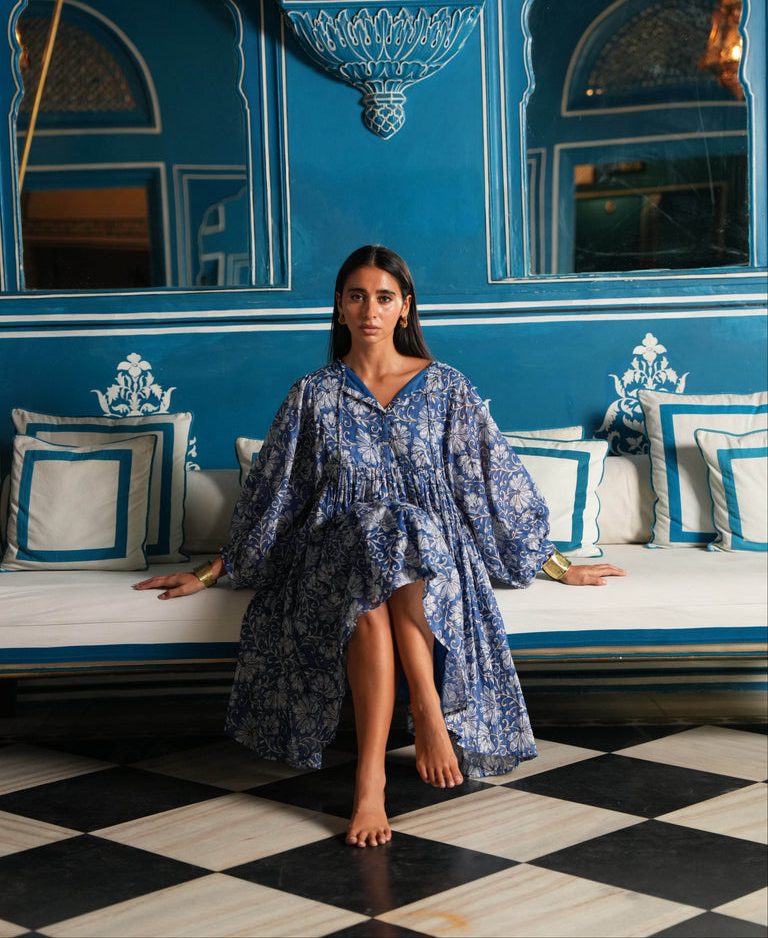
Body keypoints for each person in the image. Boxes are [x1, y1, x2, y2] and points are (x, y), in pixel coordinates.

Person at [135, 244, 626, 847]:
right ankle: (411, 727)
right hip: (334, 552)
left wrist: (553, 564)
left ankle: (381, 765)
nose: (370, 309)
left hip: (428, 558)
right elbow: (278, 497)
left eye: (384, 297)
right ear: (340, 308)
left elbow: (490, 480)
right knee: (375, 541)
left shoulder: (446, 388)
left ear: (405, 307)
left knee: (402, 533)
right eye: (357, 296)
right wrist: (214, 572)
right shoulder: (312, 395)